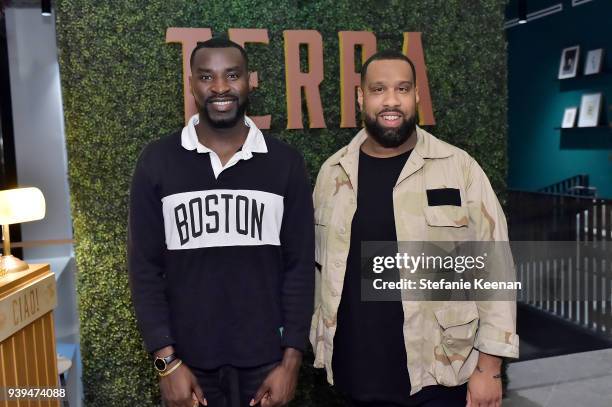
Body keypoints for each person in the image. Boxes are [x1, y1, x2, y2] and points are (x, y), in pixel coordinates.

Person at [310, 50, 519, 406]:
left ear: (417, 96)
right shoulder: (333, 174)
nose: (391, 100)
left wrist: (490, 367)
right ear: (361, 97)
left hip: (437, 378)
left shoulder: (459, 169)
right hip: (350, 375)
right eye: (378, 89)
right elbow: (318, 272)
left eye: (402, 89)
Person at [128, 37, 314, 407]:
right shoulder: (157, 161)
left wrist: (291, 363)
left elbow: (300, 268)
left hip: (267, 364)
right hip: (188, 366)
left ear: (249, 81)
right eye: (206, 76)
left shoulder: (284, 163)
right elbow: (144, 269)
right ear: (191, 84)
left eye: (232, 74)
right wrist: (166, 363)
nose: (220, 88)